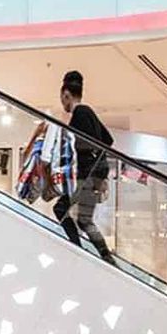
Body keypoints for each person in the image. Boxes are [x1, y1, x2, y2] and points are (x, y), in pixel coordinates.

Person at [54, 70, 115, 263]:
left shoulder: (80, 112)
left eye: (62, 98)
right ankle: (106, 256)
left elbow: (85, 144)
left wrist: (69, 144)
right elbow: (108, 140)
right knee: (84, 220)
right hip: (95, 172)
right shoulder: (88, 113)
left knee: (60, 209)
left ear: (66, 94)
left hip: (85, 173)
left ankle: (77, 250)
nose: (62, 103)